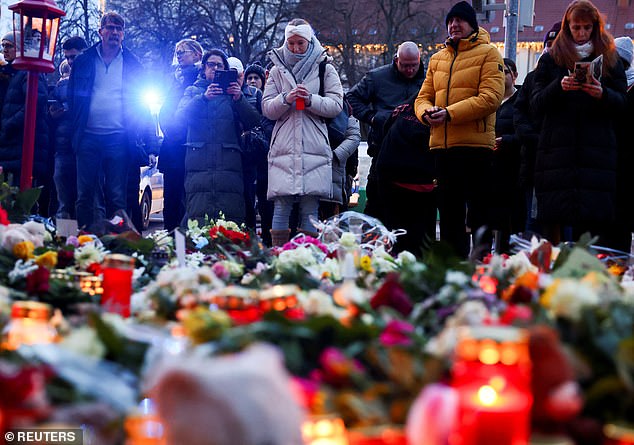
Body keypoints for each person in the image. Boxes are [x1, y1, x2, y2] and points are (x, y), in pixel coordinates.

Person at [530, 0, 627, 245]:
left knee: (593, 235)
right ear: (567, 27)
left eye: (587, 28)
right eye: (577, 28)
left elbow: (623, 105)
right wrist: (558, 87)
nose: (582, 33)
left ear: (596, 28)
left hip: (596, 156)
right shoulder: (551, 58)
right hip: (557, 157)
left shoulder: (611, 58)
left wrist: (602, 94)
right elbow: (535, 104)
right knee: (555, 234)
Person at [415, 1, 505, 259]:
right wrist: (426, 114)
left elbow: (491, 97)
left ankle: (480, 266)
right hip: (443, 148)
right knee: (449, 213)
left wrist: (450, 113)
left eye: (460, 20)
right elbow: (422, 98)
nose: (454, 25)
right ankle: (453, 267)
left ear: (472, 25)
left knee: (479, 212)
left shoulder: (490, 53)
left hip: (476, 148)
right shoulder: (437, 59)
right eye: (451, 21)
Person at [68, 11, 158, 232]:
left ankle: (114, 244)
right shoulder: (84, 61)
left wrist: (149, 143)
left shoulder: (133, 64)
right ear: (100, 32)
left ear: (123, 34)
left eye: (119, 29)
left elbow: (142, 106)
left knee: (117, 198)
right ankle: (83, 242)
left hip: (118, 139)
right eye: (110, 28)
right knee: (84, 195)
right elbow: (72, 97)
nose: (114, 33)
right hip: (87, 136)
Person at [262, 18, 344, 246]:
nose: (295, 48)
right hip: (284, 146)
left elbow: (336, 104)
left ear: (309, 41)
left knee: (311, 206)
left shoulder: (325, 66)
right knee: (281, 204)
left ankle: (308, 257)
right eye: (291, 43)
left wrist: (310, 100)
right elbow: (267, 108)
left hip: (313, 144)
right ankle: (280, 256)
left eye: (300, 43)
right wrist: (286, 99)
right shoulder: (276, 70)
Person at [176, 49, 261, 225]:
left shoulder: (232, 94)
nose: (215, 68)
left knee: (229, 214)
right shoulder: (192, 91)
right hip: (198, 163)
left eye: (219, 66)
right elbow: (179, 118)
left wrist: (239, 98)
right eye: (211, 64)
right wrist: (203, 98)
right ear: (203, 68)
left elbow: (253, 121)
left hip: (229, 163)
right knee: (198, 213)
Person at [346, 41, 425, 220]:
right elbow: (351, 98)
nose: (410, 70)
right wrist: (373, 117)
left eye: (414, 65)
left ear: (420, 60)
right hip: (384, 152)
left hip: (418, 156)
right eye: (405, 65)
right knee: (377, 209)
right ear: (396, 60)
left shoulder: (430, 79)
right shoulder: (376, 78)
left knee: (414, 214)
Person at [513, 22, 561, 240]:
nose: (550, 48)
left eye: (555, 43)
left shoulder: (572, 76)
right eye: (548, 44)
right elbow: (519, 112)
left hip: (561, 163)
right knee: (532, 222)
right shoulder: (533, 78)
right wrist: (533, 137)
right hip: (534, 161)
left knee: (561, 223)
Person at [375, 96, 437, 256]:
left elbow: (386, 127)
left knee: (395, 236)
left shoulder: (409, 104)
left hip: (390, 172)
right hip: (412, 179)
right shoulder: (435, 107)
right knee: (418, 241)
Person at [0, 31, 50, 210]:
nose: (5, 50)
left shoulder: (26, 72)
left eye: (9, 46)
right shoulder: (11, 73)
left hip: (22, 144)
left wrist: (9, 123)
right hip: (12, 145)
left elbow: (35, 100)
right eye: (3, 46)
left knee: (22, 198)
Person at [158, 38, 203, 232]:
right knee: (172, 198)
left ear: (197, 55)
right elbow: (165, 109)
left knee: (187, 199)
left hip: (187, 145)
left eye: (183, 52)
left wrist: (175, 128)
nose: (179, 55)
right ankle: (171, 235)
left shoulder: (199, 79)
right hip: (171, 147)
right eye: (177, 52)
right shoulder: (175, 79)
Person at [49, 36, 88, 220]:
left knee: (83, 200)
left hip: (82, 147)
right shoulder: (64, 84)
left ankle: (82, 241)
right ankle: (67, 243)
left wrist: (64, 110)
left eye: (74, 57)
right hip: (64, 147)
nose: (71, 61)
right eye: (68, 58)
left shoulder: (85, 79)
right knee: (64, 201)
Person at [490, 58, 524, 253]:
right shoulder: (489, 101)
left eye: (504, 71)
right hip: (490, 171)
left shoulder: (521, 102)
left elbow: (526, 132)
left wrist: (507, 141)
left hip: (513, 171)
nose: (500, 76)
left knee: (512, 222)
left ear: (514, 75)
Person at [603, 36, 634, 252]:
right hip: (613, 164)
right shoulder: (613, 87)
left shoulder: (611, 87)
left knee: (616, 227)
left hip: (617, 164)